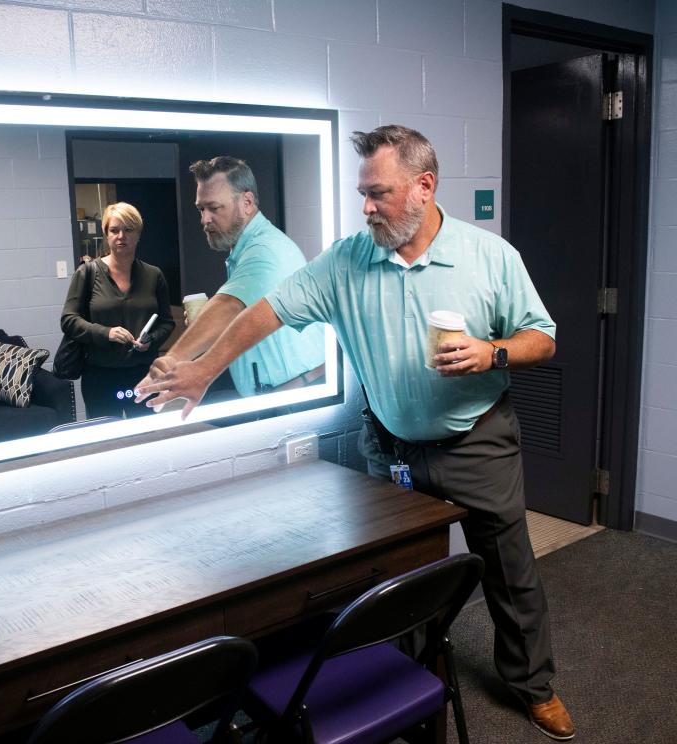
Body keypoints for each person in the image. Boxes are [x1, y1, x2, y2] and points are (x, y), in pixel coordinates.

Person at [136, 126, 576, 741]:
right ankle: (418, 681)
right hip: (393, 450)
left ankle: (534, 686)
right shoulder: (347, 259)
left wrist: (491, 352)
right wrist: (205, 370)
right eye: (362, 194)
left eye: (380, 194)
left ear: (424, 187)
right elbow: (265, 309)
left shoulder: (489, 256)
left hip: (477, 441)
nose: (366, 208)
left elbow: (543, 336)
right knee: (407, 582)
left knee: (508, 569)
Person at [135, 156, 325, 401]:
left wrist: (171, 360)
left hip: (298, 395)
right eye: (201, 209)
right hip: (289, 392)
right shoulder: (245, 251)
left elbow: (227, 306)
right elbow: (239, 316)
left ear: (247, 202)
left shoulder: (265, 249)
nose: (204, 220)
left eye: (214, 208)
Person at [60, 202, 175, 419]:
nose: (121, 236)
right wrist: (107, 333)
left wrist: (152, 339)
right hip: (100, 375)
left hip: (144, 374)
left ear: (138, 234)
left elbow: (168, 322)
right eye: (114, 230)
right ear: (106, 234)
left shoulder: (154, 275)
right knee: (106, 442)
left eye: (128, 230)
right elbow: (68, 319)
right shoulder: (87, 273)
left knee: (146, 438)